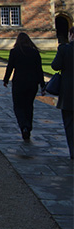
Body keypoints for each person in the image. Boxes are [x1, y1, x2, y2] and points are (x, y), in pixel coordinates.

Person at [3, 32, 46, 141]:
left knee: (18, 106)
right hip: (32, 83)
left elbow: (10, 67)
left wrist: (6, 80)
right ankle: (28, 127)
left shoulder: (14, 52)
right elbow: (39, 71)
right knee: (29, 106)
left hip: (19, 82)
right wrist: (42, 85)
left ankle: (23, 126)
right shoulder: (35, 53)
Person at [51, 26, 74, 159]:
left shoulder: (64, 49)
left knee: (70, 124)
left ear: (71, 34)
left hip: (69, 93)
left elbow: (55, 66)